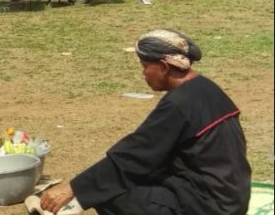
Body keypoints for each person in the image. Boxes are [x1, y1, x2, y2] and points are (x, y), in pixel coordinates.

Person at [40, 29, 251, 215]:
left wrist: (72, 188)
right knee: (121, 179)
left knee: (110, 193)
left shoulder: (178, 104)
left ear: (163, 66)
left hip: (211, 206)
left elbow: (135, 155)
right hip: (231, 196)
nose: (143, 74)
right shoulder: (206, 88)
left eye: (144, 66)